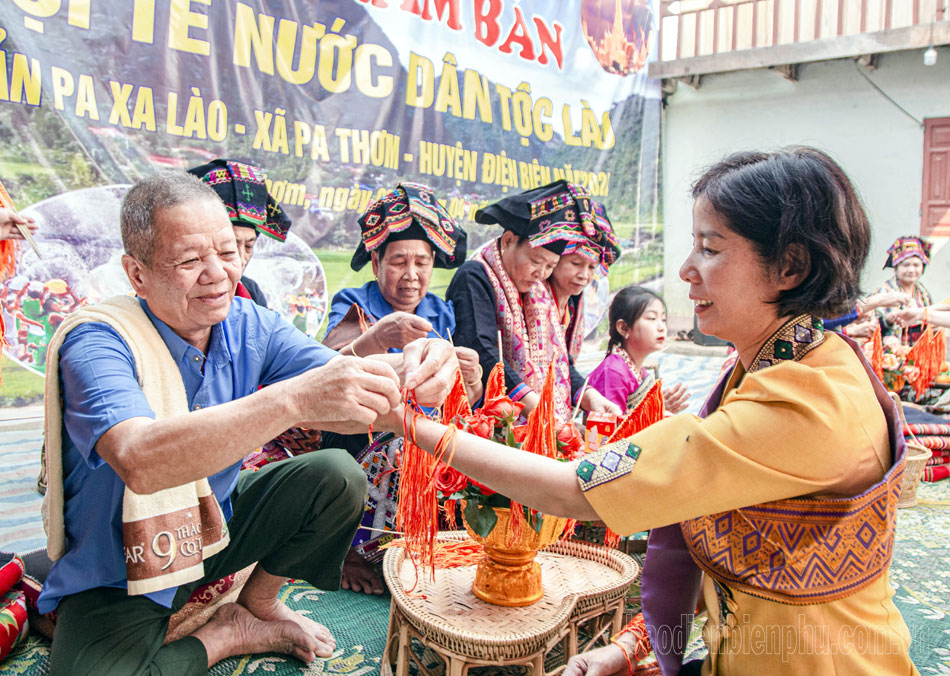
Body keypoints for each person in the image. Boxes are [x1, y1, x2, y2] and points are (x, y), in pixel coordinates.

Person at [373, 148, 917, 675]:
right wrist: (630, 647)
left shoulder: (803, 404)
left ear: (790, 267)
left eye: (711, 248)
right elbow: (752, 563)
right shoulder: (791, 365)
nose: (686, 269)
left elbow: (568, 489)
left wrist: (407, 421)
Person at [37, 171, 456, 676]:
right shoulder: (98, 342)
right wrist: (292, 400)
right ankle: (224, 635)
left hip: (215, 527)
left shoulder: (249, 323)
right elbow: (139, 459)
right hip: (122, 564)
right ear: (138, 274)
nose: (217, 274)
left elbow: (342, 378)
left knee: (335, 477)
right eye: (190, 260)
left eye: (229, 251)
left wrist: (421, 363)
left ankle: (256, 603)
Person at [322, 182, 482, 594]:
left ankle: (433, 543)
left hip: (424, 432)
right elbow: (325, 363)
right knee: (402, 445)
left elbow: (464, 396)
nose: (412, 276)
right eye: (398, 262)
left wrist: (473, 382)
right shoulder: (354, 302)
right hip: (362, 436)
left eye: (422, 262)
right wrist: (378, 336)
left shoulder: (441, 311)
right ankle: (351, 552)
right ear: (376, 262)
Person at [447, 180, 621, 421]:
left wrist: (591, 397)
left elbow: (559, 362)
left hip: (540, 418)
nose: (542, 274)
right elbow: (482, 351)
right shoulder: (475, 276)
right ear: (508, 241)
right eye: (536, 261)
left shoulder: (538, 292)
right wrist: (536, 408)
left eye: (550, 266)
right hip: (492, 423)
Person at [187, 159, 293, 307]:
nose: (241, 259)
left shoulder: (251, 293)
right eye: (230, 247)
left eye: (249, 247)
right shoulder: (179, 292)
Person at [588, 286, 689, 415]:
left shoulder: (636, 369)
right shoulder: (614, 371)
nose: (661, 327)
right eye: (652, 318)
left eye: (663, 319)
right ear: (623, 328)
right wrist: (656, 414)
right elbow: (612, 427)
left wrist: (660, 408)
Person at [546, 201, 621, 358]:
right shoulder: (535, 299)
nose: (584, 275)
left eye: (592, 267)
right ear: (554, 260)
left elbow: (567, 363)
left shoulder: (573, 304)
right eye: (576, 263)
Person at [874, 235, 933, 345]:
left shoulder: (923, 293)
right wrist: (887, 320)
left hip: (918, 352)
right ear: (896, 268)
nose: (911, 270)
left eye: (916, 265)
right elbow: (869, 328)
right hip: (891, 354)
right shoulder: (884, 292)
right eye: (906, 265)